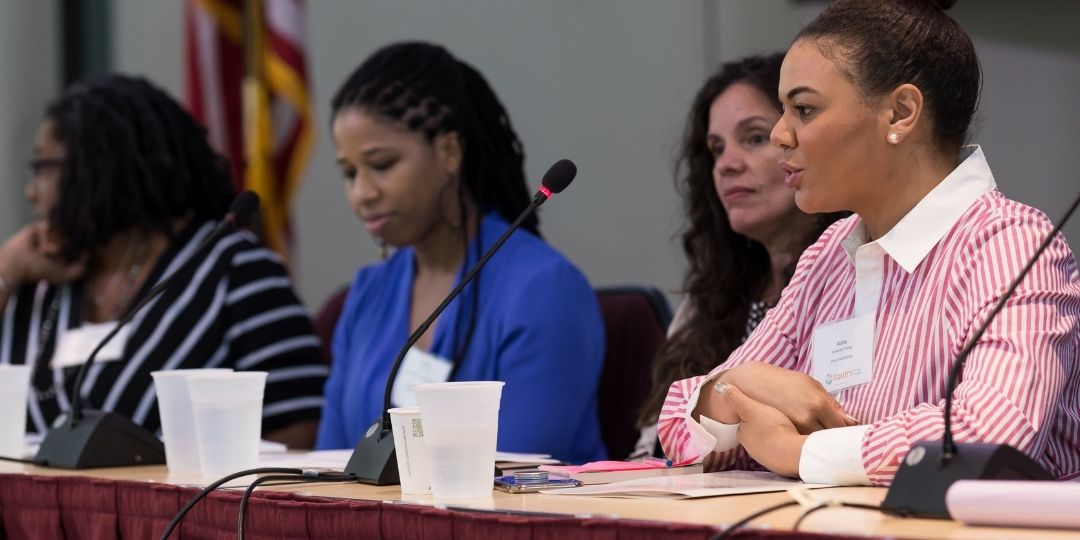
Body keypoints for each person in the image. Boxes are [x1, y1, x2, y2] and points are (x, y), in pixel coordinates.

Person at [659, 0, 1080, 485]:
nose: (779, 135)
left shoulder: (1011, 244)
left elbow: (991, 439)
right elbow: (677, 431)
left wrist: (802, 452)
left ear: (900, 113)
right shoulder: (829, 253)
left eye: (804, 109)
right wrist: (732, 388)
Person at [316, 42, 607, 464]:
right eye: (348, 173)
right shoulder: (365, 294)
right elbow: (330, 465)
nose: (361, 193)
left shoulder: (543, 288)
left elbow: (513, 474)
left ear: (449, 151)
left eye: (381, 164)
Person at [0, 75, 327, 448]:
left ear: (100, 166)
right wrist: (6, 270)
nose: (30, 192)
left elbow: (298, 429)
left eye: (43, 167)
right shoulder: (34, 271)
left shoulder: (232, 269)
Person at [633, 54, 844, 458]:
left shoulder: (844, 271)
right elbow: (652, 449)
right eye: (716, 149)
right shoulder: (709, 295)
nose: (727, 165)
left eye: (753, 138)